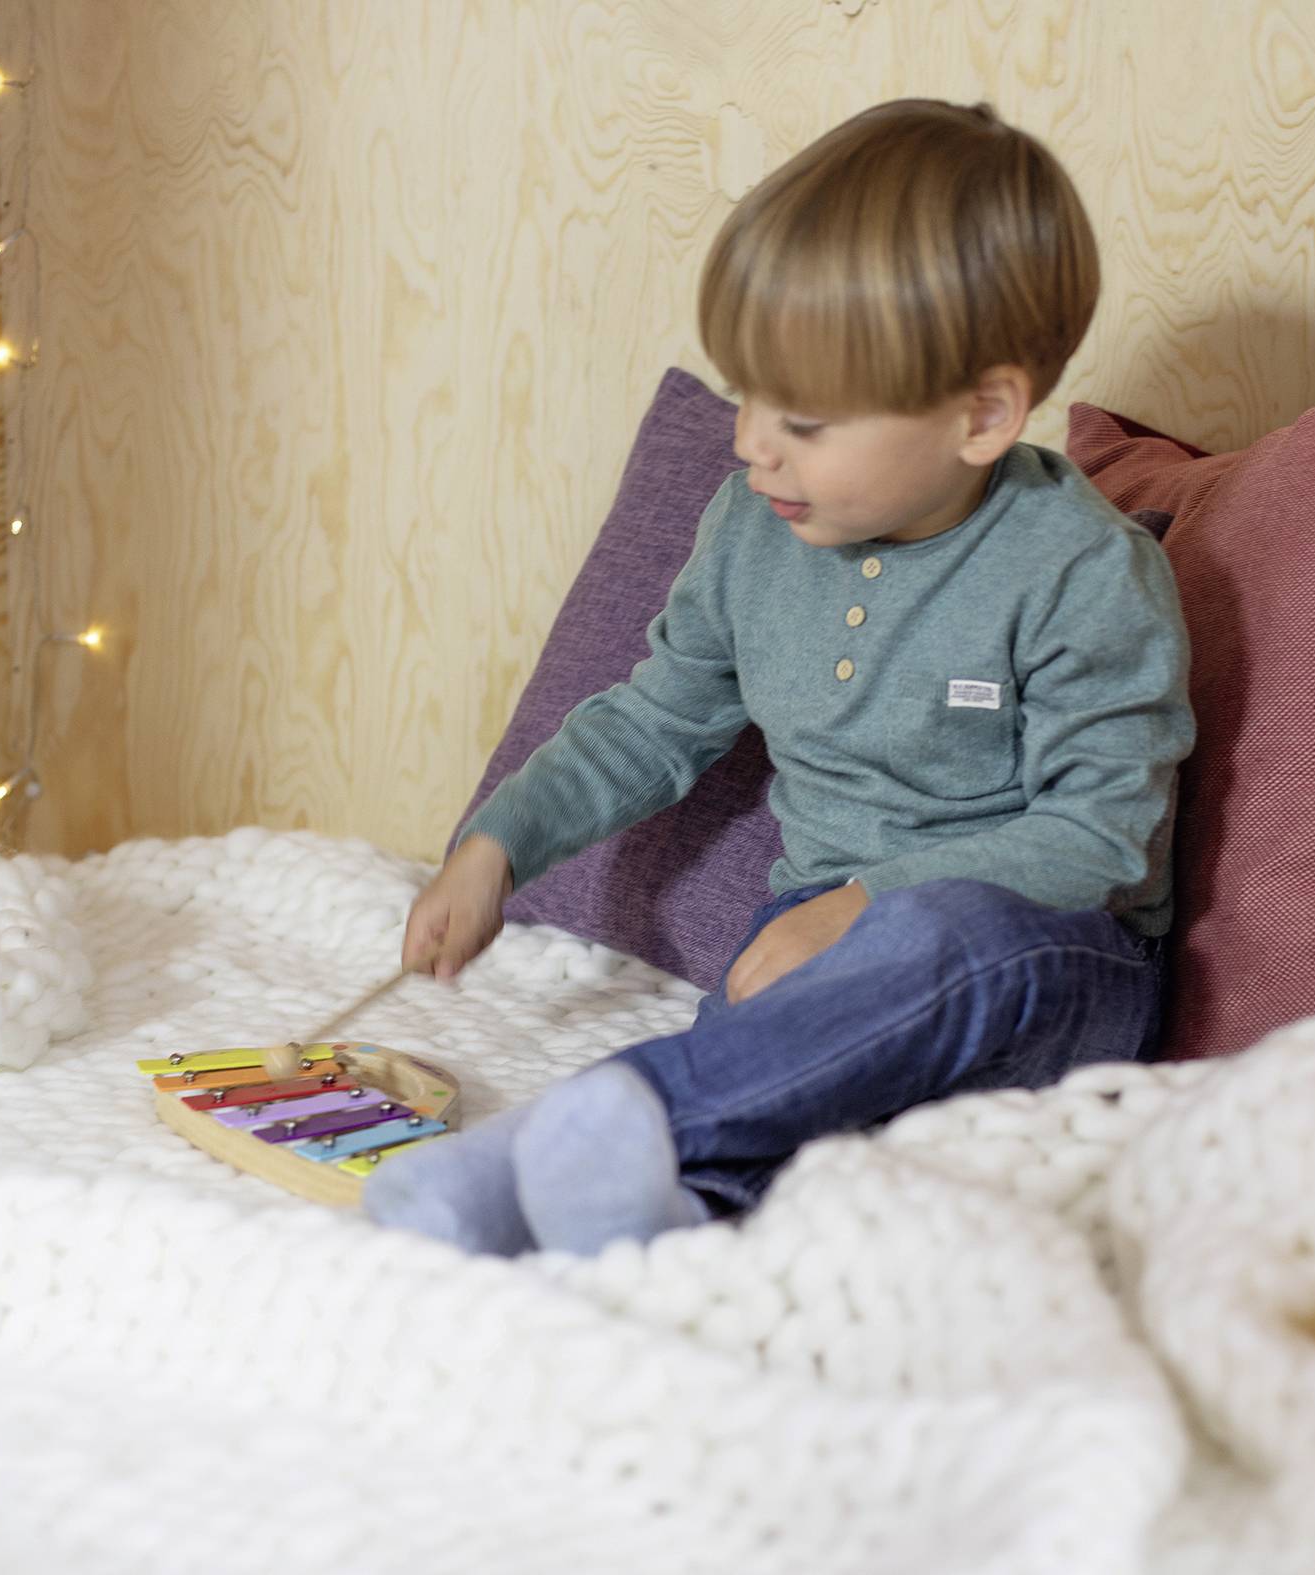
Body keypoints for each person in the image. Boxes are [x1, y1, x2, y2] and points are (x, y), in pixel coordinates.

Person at [363, 98, 1194, 1256]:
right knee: (778, 1086)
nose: (752, 442)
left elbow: (1096, 839)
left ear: (983, 414)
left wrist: (865, 906)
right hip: (815, 939)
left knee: (940, 944)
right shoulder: (754, 526)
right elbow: (655, 715)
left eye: (800, 418)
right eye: (746, 395)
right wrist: (500, 845)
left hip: (1042, 959)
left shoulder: (1080, 571)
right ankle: (649, 1209)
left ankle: (569, 1138)